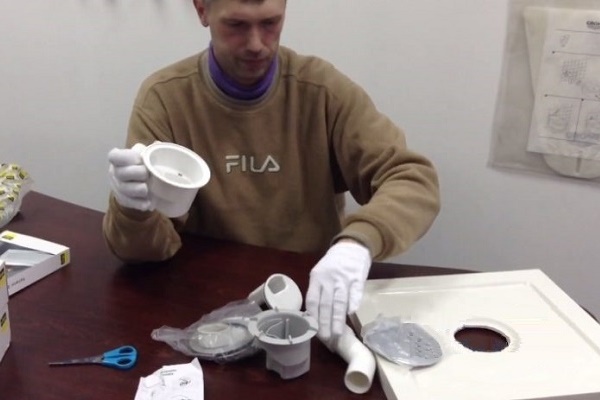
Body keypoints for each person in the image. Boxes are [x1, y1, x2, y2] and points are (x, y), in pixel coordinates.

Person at [103, 0, 440, 343]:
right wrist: (133, 208)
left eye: (270, 23)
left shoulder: (322, 91)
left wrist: (358, 243)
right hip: (205, 308)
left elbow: (413, 179)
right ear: (202, 10)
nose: (256, 44)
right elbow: (139, 253)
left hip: (310, 300)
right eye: (237, 25)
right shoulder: (165, 99)